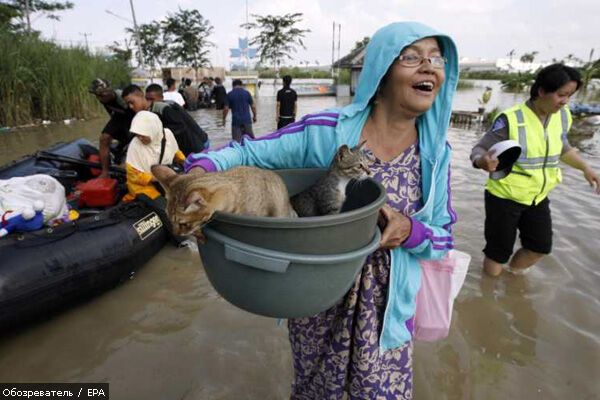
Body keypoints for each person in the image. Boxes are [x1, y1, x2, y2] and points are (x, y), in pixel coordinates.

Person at [184, 22, 458, 399]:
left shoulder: (436, 154)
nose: (429, 67)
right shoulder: (325, 131)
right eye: (411, 57)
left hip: (388, 310)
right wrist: (195, 180)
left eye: (437, 59)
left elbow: (444, 237)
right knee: (316, 391)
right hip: (315, 295)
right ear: (381, 71)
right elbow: (242, 153)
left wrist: (410, 230)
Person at [470, 63, 600, 277]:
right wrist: (481, 161)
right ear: (541, 91)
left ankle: (511, 278)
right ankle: (490, 292)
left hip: (537, 197)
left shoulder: (563, 115)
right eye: (561, 95)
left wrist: (586, 168)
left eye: (570, 95)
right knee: (497, 253)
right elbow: (480, 148)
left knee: (540, 247)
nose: (565, 101)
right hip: (504, 197)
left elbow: (562, 148)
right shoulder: (510, 118)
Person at [121, 84, 209, 155]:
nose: (130, 107)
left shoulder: (162, 108)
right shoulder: (148, 111)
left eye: (131, 102)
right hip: (190, 146)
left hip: (197, 146)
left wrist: (155, 134)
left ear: (141, 95)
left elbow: (179, 127)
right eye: (127, 104)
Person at [123, 111, 184, 202]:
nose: (140, 138)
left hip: (164, 178)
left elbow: (176, 152)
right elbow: (133, 175)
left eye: (143, 135)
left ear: (153, 130)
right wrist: (158, 178)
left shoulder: (167, 134)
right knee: (164, 208)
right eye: (137, 135)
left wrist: (187, 164)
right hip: (143, 186)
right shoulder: (135, 145)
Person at [89, 78, 136, 178]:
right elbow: (112, 114)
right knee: (104, 138)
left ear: (109, 90)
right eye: (97, 95)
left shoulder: (121, 97)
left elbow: (136, 110)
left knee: (132, 141)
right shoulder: (103, 99)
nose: (100, 98)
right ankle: (105, 172)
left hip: (132, 116)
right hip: (119, 117)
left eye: (102, 94)